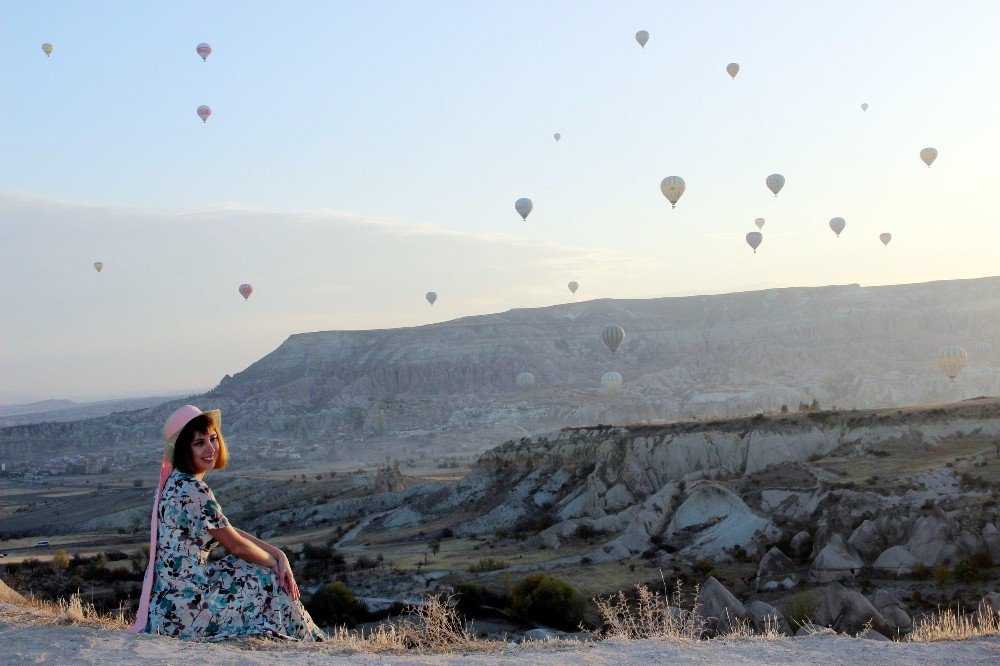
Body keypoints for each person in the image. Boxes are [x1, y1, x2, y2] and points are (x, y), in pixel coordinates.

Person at [128, 405, 326, 641]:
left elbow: (226, 530)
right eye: (199, 443)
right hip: (187, 615)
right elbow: (236, 546)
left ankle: (302, 638)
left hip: (167, 609)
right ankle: (309, 641)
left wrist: (276, 553)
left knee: (255, 566)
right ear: (184, 450)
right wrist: (274, 563)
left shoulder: (173, 483)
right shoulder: (193, 489)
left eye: (213, 439)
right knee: (265, 574)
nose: (211, 448)